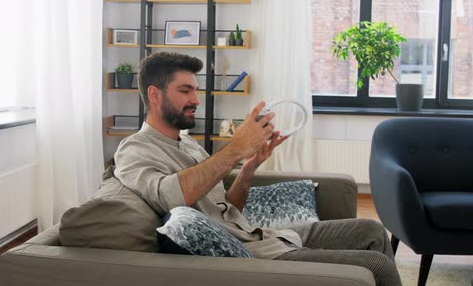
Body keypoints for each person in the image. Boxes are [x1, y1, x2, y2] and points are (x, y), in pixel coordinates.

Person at [114, 52, 401, 286]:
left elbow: (228, 207)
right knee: (376, 266)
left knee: (372, 231)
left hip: (258, 234)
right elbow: (169, 197)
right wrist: (236, 148)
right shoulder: (134, 149)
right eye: (185, 90)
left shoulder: (188, 145)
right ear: (154, 94)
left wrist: (249, 167)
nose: (196, 100)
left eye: (196, 90)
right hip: (250, 254)